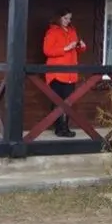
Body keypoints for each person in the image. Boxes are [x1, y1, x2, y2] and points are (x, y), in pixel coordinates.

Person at [43, 8, 86, 137]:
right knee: (57, 102)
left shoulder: (72, 31)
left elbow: (77, 51)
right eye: (65, 18)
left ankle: (65, 127)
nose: (68, 21)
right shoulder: (52, 32)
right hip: (56, 73)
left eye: (69, 18)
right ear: (59, 18)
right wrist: (65, 48)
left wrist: (81, 46)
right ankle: (58, 128)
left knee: (68, 103)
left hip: (70, 74)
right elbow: (47, 51)